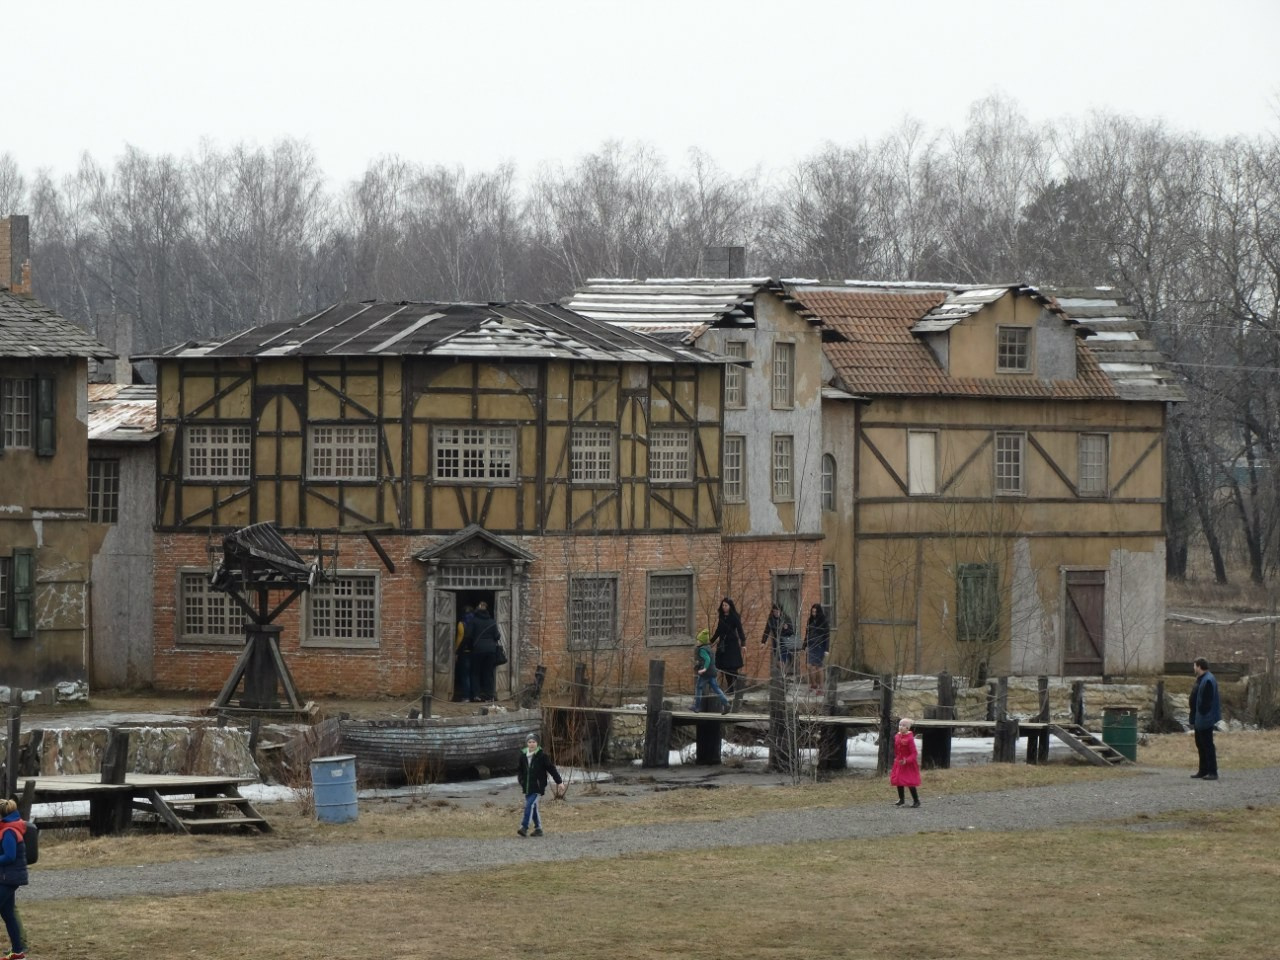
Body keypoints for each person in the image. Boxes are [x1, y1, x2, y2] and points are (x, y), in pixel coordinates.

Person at [516, 733, 563, 837]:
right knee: (533, 807)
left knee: (529, 805)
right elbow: (520, 770)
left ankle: (524, 827)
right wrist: (521, 781)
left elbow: (551, 769)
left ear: (537, 743)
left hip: (538, 786)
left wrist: (559, 782)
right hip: (527, 786)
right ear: (527, 743)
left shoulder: (542, 756)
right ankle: (538, 829)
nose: (531, 744)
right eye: (529, 742)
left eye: (534, 742)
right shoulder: (523, 756)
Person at [0, 798, 28, 960]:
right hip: (7, 877)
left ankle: (18, 951)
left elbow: (10, 856)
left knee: (9, 914)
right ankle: (18, 952)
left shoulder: (9, 830)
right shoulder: (8, 827)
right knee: (8, 914)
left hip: (9, 878)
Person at [1189, 656, 1222, 780]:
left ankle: (1212, 771)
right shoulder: (1201, 679)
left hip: (1204, 718)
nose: (1193, 668)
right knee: (1200, 744)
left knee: (1207, 745)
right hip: (1199, 718)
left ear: (1198, 666)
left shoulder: (1208, 680)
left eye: (1194, 665)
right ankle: (1203, 770)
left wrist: (1203, 714)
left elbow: (1207, 701)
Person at [711, 597, 747, 703]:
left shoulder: (734, 617)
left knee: (732, 668)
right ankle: (730, 689)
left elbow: (740, 630)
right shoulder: (722, 617)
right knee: (725, 667)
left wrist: (743, 643)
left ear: (730, 606)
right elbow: (718, 630)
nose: (724, 607)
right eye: (722, 605)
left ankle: (736, 688)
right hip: (723, 645)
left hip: (732, 645)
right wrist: (711, 641)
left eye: (726, 605)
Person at [468, 601, 502, 702]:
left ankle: (476, 695)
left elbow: (468, 635)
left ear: (477, 610)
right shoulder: (492, 622)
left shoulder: (473, 621)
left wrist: (470, 647)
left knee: (475, 673)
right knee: (488, 673)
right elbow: (497, 636)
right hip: (491, 650)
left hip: (477, 649)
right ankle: (489, 695)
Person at [693, 629, 731, 714]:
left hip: (705, 673)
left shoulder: (702, 649)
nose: (697, 642)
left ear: (702, 641)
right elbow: (707, 659)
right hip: (713, 672)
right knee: (716, 689)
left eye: (698, 640)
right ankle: (726, 704)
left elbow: (707, 659)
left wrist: (704, 669)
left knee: (699, 688)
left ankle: (697, 707)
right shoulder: (709, 648)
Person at [890, 717, 921, 807]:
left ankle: (916, 801)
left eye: (903, 726)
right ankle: (901, 799)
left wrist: (907, 760)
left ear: (907, 728)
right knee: (899, 780)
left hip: (908, 764)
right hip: (899, 762)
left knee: (910, 782)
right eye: (900, 725)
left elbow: (914, 753)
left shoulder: (909, 739)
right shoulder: (897, 736)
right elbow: (896, 749)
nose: (901, 727)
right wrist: (897, 758)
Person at [761, 602, 797, 675]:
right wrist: (763, 642)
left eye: (777, 611)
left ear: (781, 611)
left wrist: (786, 628)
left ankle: (784, 677)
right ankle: (784, 676)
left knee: (781, 662)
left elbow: (792, 632)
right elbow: (767, 631)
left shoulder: (786, 618)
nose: (776, 613)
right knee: (778, 663)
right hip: (776, 643)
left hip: (785, 642)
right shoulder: (771, 619)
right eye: (774, 611)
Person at [804, 603, 830, 693]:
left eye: (815, 612)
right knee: (809, 666)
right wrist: (805, 645)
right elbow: (807, 634)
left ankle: (821, 687)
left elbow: (827, 636)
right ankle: (813, 684)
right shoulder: (810, 620)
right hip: (811, 645)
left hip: (820, 646)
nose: (814, 614)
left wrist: (827, 649)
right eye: (812, 612)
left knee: (819, 667)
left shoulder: (823, 621)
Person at [452, 604, 475, 702]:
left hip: (465, 652)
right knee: (474, 674)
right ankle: (475, 695)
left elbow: (460, 638)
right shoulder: (476, 622)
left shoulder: (462, 623)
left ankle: (466, 696)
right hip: (476, 651)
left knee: (465, 675)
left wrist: (456, 650)